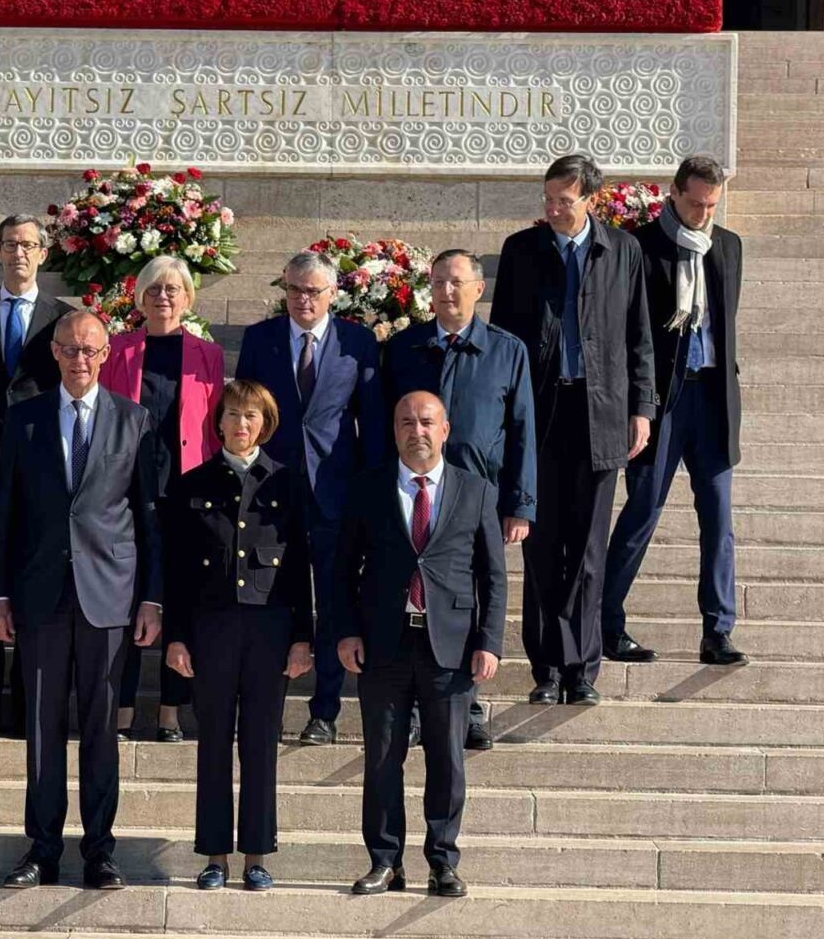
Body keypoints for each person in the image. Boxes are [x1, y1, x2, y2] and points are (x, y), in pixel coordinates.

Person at [0, 310, 162, 891]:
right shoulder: (24, 418)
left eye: (89, 349)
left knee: (101, 729)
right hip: (39, 596)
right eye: (68, 348)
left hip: (108, 597)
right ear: (54, 353)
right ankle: (42, 849)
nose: (79, 358)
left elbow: (147, 516)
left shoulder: (133, 419)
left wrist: (152, 599)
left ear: (106, 354)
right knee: (41, 728)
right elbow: (2, 511)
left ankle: (99, 851)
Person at [490, 154, 656, 706]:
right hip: (538, 414)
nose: (553, 209)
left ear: (591, 199)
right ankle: (546, 669)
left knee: (587, 550)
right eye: (548, 199)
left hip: (600, 414)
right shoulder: (521, 250)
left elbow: (640, 335)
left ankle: (581, 668)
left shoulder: (623, 250)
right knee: (540, 546)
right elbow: (503, 338)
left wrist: (642, 407)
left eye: (564, 200)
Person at [336, 392, 507, 899]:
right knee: (382, 758)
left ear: (445, 429)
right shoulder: (367, 488)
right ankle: (385, 861)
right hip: (383, 645)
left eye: (427, 422)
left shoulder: (476, 491)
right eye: (407, 422)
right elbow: (341, 568)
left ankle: (442, 861)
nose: (418, 432)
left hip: (450, 649)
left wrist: (489, 642)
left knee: (447, 760)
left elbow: (493, 576)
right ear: (394, 431)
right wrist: (346, 630)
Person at [164, 379, 313, 891]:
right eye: (232, 414)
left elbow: (300, 567)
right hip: (212, 628)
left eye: (251, 416)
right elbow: (178, 572)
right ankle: (215, 856)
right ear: (218, 422)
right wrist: (176, 637)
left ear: (265, 424)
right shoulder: (193, 484)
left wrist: (303, 636)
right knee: (212, 742)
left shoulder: (287, 483)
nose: (241, 424)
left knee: (260, 742)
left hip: (270, 629)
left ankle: (256, 855)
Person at [383, 249, 534, 751]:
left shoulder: (507, 351)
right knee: (411, 588)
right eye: (438, 283)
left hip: (476, 498)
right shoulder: (404, 347)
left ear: (478, 289)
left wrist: (520, 503)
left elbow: (522, 431)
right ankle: (408, 708)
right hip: (412, 495)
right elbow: (385, 422)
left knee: (467, 597)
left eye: (456, 282)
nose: (446, 292)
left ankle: (466, 707)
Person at [235, 250, 387, 747]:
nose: (303, 299)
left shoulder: (358, 342)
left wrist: (372, 489)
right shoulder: (260, 339)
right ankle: (266, 707)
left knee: (333, 599)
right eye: (295, 290)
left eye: (313, 291)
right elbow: (245, 413)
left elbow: (372, 421)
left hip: (335, 492)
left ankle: (324, 711)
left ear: (333, 294)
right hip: (271, 491)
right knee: (272, 598)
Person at [604, 156, 747, 666]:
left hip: (712, 398)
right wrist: (637, 404)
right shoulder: (640, 246)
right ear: (674, 193)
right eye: (696, 203)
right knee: (642, 510)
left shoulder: (728, 245)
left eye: (712, 205)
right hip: (663, 400)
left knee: (719, 518)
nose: (703, 213)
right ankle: (606, 621)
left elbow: (725, 324)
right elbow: (629, 331)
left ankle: (718, 631)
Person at [0, 213, 73, 740]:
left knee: (34, 588)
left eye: (27, 244)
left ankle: (27, 707)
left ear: (43, 253)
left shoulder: (63, 319)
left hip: (42, 472)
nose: (18, 253)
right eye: (9, 244)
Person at [100, 255, 225, 742]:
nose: (163, 297)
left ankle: (171, 708)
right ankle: (123, 707)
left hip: (185, 489)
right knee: (128, 597)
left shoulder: (207, 355)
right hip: (128, 488)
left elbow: (212, 426)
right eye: (154, 289)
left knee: (180, 597)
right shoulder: (118, 350)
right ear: (140, 297)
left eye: (173, 289)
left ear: (188, 297)